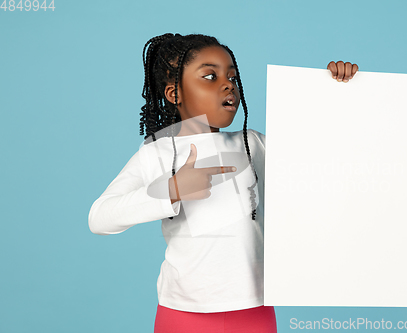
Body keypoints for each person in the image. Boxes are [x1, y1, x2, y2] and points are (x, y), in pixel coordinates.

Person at [88, 33, 358, 333]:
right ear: (174, 93)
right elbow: (100, 217)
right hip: (183, 313)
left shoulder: (254, 144)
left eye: (232, 75)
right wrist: (172, 190)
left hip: (255, 309)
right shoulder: (158, 152)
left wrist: (337, 92)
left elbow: (321, 164)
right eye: (210, 76)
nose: (228, 84)